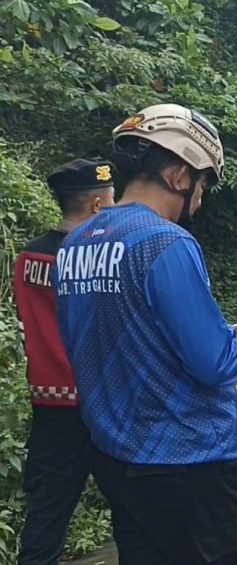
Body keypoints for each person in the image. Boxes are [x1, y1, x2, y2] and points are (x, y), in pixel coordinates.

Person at [55, 104, 237, 563]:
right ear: (178, 175)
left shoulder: (74, 245)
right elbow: (215, 363)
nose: (199, 200)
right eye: (202, 185)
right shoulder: (165, 241)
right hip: (191, 462)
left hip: (117, 460)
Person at [13, 159, 115, 565]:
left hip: (49, 405)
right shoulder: (93, 258)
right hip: (101, 402)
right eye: (111, 202)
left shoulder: (27, 257)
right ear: (96, 206)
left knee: (47, 514)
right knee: (135, 507)